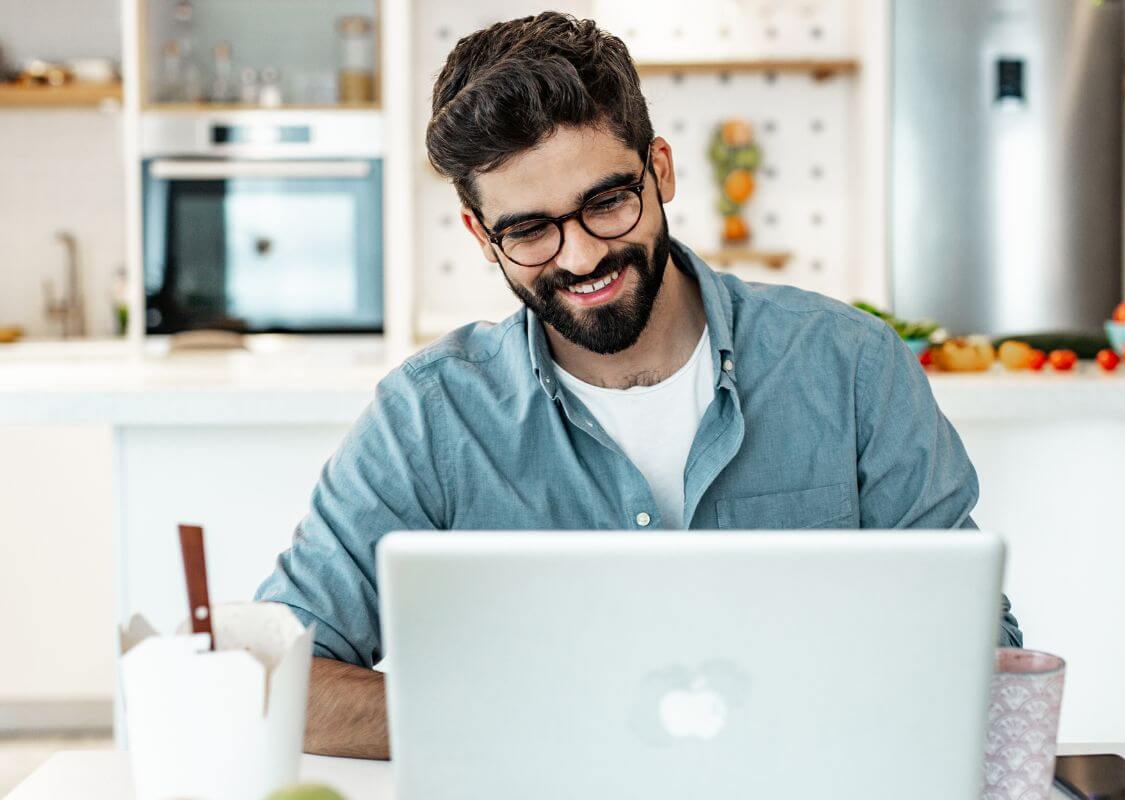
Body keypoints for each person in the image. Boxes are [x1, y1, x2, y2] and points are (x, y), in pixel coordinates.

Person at [255, 12, 1021, 759]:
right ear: (480, 238)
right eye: (528, 231)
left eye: (607, 203)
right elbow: (273, 683)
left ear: (660, 170)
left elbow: (981, 652)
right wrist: (510, 716)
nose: (582, 256)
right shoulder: (428, 419)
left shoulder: (850, 366)